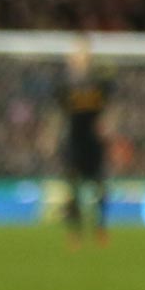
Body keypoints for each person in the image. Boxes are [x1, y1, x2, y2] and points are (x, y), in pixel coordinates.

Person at [58, 37, 109, 245]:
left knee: (99, 184)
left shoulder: (99, 83)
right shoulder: (65, 85)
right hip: (73, 141)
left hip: (93, 141)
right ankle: (75, 231)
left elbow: (110, 110)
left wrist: (108, 127)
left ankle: (100, 227)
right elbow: (58, 113)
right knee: (73, 187)